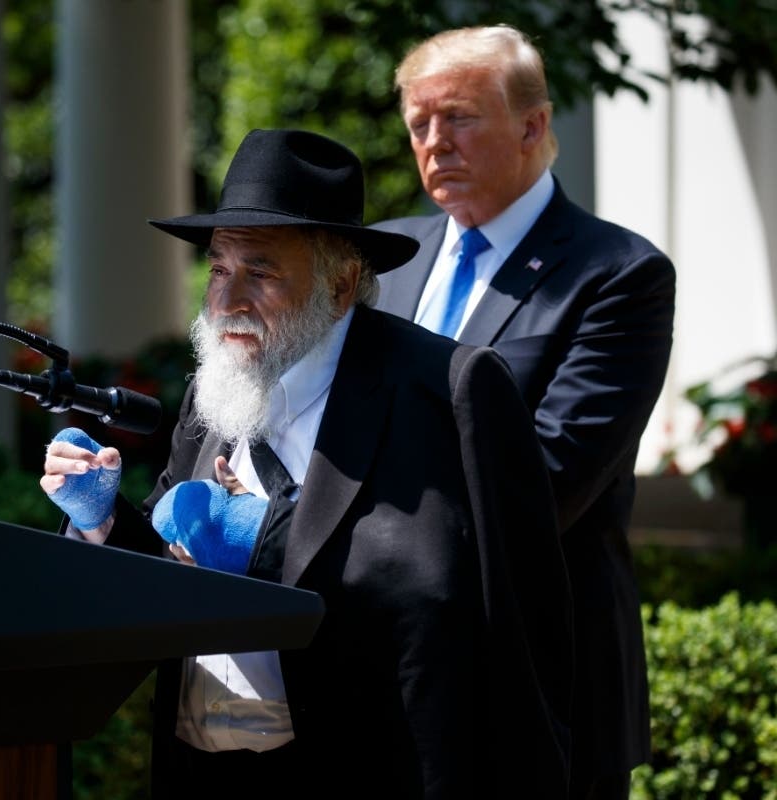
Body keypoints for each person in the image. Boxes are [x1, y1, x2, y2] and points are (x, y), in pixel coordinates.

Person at [40, 128, 573, 798]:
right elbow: (174, 571)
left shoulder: (449, 390)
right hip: (205, 767)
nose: (227, 300)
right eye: (219, 269)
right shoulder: (215, 387)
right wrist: (101, 520)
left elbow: (493, 611)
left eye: (260, 273)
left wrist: (261, 538)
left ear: (342, 283)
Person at [370, 25, 677, 800]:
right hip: (388, 676)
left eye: (459, 117)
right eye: (418, 124)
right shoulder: (381, 260)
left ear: (533, 126)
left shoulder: (617, 273)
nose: (435, 143)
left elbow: (550, 477)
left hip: (542, 682)